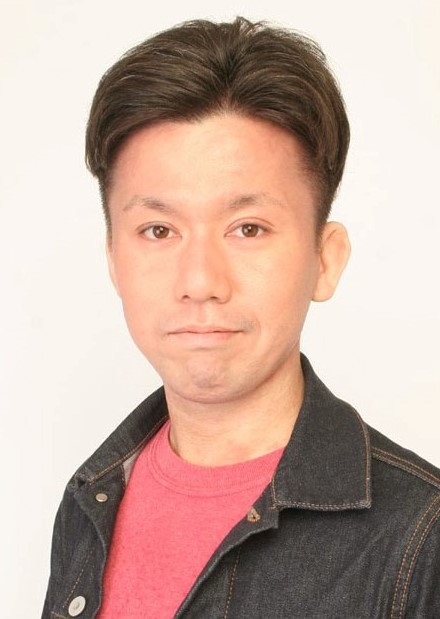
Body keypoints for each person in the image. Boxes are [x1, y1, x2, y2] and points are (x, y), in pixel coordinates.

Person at [42, 16, 440, 619]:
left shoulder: (421, 539)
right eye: (158, 230)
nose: (201, 282)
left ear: (325, 260)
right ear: (114, 260)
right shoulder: (90, 498)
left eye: (247, 228)